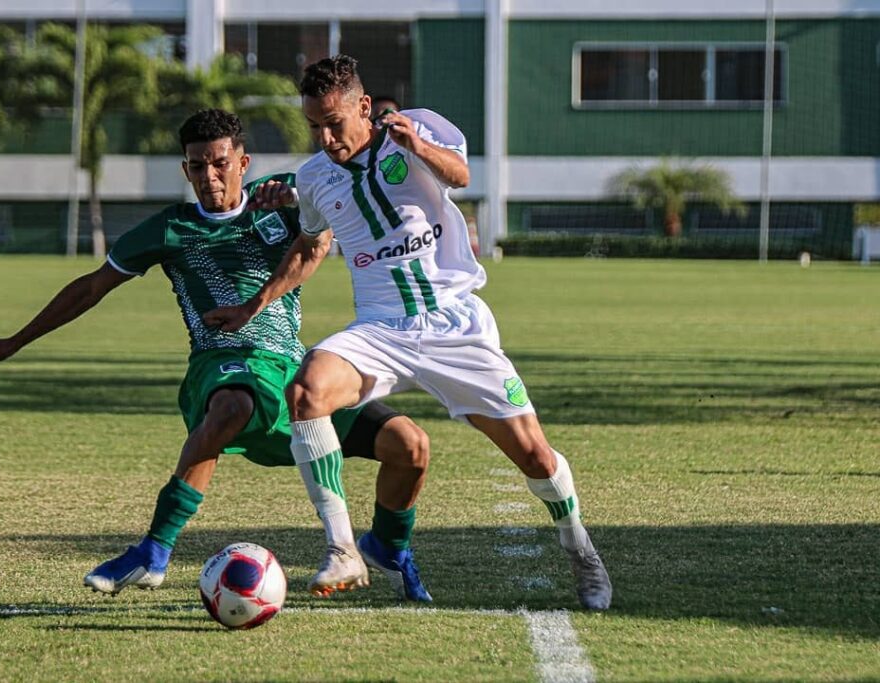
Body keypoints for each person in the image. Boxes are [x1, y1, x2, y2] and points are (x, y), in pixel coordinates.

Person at [0, 108, 433, 602]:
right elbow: (91, 288)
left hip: (294, 371)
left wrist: (386, 136)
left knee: (410, 445)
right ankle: (154, 551)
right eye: (197, 166)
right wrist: (14, 341)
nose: (209, 176)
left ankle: (388, 545)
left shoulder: (285, 196)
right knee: (232, 406)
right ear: (185, 169)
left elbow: (350, 194)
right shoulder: (170, 229)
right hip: (221, 362)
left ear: (243, 162)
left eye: (220, 163)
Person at [204, 56, 612, 610]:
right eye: (314, 126)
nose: (325, 138)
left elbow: (462, 177)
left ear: (364, 107)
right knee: (306, 392)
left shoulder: (416, 130)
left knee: (536, 458)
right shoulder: (314, 178)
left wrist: (416, 145)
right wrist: (254, 304)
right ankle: (344, 548)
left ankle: (580, 549)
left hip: (454, 323)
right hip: (379, 328)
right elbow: (310, 246)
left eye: (334, 122)